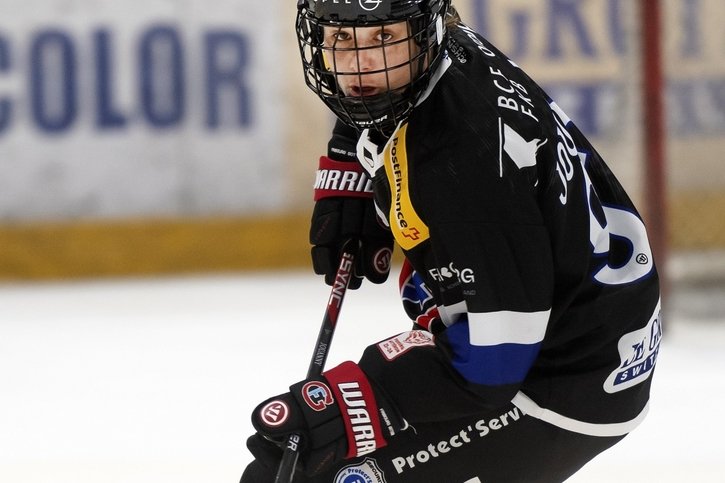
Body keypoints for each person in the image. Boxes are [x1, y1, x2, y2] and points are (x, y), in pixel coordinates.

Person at [241, 1, 662, 482]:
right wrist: (350, 155)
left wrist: (359, 400)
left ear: (423, 33)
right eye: (340, 39)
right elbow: (378, 89)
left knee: (309, 473)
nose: (359, 64)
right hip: (581, 321)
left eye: (382, 38)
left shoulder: (457, 167)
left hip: (562, 381)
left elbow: (494, 360)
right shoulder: (452, 50)